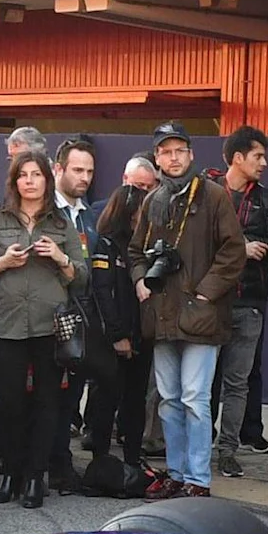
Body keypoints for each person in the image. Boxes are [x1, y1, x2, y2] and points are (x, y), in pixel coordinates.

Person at [0, 147, 89, 507]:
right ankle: (12, 474)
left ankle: (37, 476)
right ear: (15, 181)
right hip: (8, 323)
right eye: (23, 175)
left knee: (47, 402)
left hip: (49, 324)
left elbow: (81, 278)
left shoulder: (60, 223)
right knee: (10, 402)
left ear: (46, 179)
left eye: (36, 175)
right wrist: (1, 262)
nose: (30, 181)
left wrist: (60, 257)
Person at [131, 130, 244, 499]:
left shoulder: (213, 196)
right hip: (163, 311)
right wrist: (140, 282)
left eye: (180, 151)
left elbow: (233, 251)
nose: (174, 158)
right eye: (166, 152)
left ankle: (198, 479)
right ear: (157, 159)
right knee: (169, 398)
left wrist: (205, 292)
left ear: (191, 155)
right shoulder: (153, 200)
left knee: (196, 397)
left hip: (202, 312)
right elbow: (135, 251)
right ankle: (176, 474)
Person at [208, 127, 268, 481]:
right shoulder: (207, 192)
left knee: (237, 381)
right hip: (209, 300)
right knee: (202, 380)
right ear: (237, 158)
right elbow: (196, 240)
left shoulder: (266, 199)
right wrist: (241, 247)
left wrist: (253, 250)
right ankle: (199, 450)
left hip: (249, 301)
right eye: (258, 156)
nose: (264, 163)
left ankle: (228, 451)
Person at [77, 149, 158, 493]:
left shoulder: (145, 246)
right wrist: (117, 336)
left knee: (135, 400)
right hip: (114, 338)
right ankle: (99, 456)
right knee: (107, 396)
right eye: (140, 212)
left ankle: (131, 456)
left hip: (142, 335)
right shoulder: (106, 245)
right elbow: (103, 293)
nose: (144, 218)